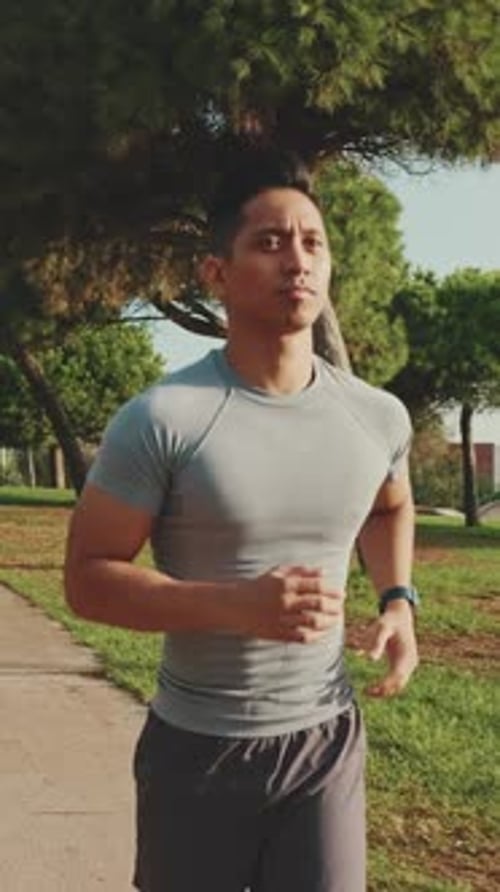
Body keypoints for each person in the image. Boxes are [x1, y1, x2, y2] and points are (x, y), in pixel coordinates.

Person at [64, 148, 419, 892]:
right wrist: (234, 606)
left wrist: (397, 601)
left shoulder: (375, 415)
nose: (298, 260)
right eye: (270, 242)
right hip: (198, 749)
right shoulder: (163, 418)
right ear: (215, 275)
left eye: (313, 242)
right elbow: (88, 582)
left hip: (325, 742)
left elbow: (389, 505)